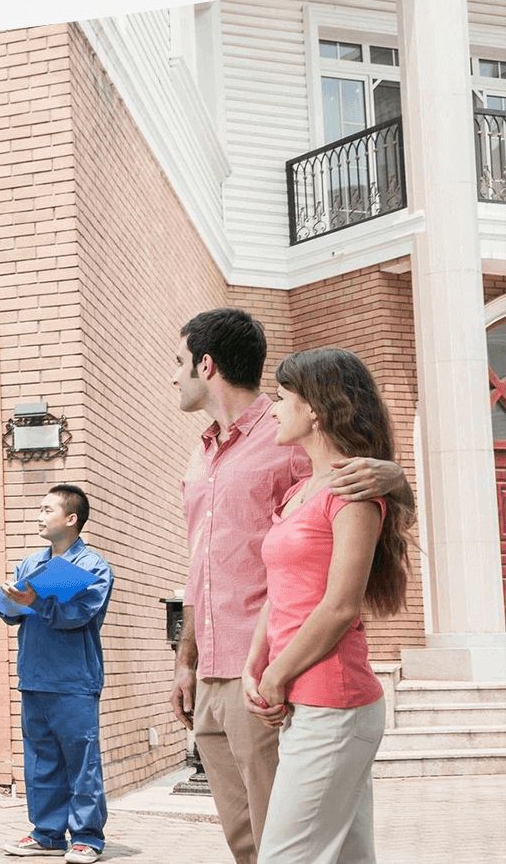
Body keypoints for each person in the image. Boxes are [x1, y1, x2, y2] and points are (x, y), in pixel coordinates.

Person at [167, 308, 408, 864]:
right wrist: (186, 660)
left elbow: (349, 495)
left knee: (287, 844)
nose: (174, 376)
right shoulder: (200, 454)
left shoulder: (288, 440)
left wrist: (398, 482)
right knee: (250, 841)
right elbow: (200, 562)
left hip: (288, 672)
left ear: (206, 364)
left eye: (179, 363)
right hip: (219, 668)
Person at [244, 347, 413, 864]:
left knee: (285, 856)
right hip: (307, 699)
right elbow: (282, 590)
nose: (273, 407)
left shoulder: (353, 491)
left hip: (334, 702)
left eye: (283, 397)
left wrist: (277, 676)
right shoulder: (300, 491)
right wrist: (257, 663)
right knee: (345, 857)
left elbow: (340, 607)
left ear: (314, 408)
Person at [0, 485, 114, 864]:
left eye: (47, 509)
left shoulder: (93, 567)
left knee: (80, 761)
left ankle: (86, 837)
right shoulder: (30, 565)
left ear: (71, 518)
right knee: (41, 759)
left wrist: (37, 602)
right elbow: (12, 614)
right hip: (34, 677)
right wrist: (11, 604)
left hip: (73, 681)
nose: (39, 515)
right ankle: (47, 833)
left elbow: (79, 616)